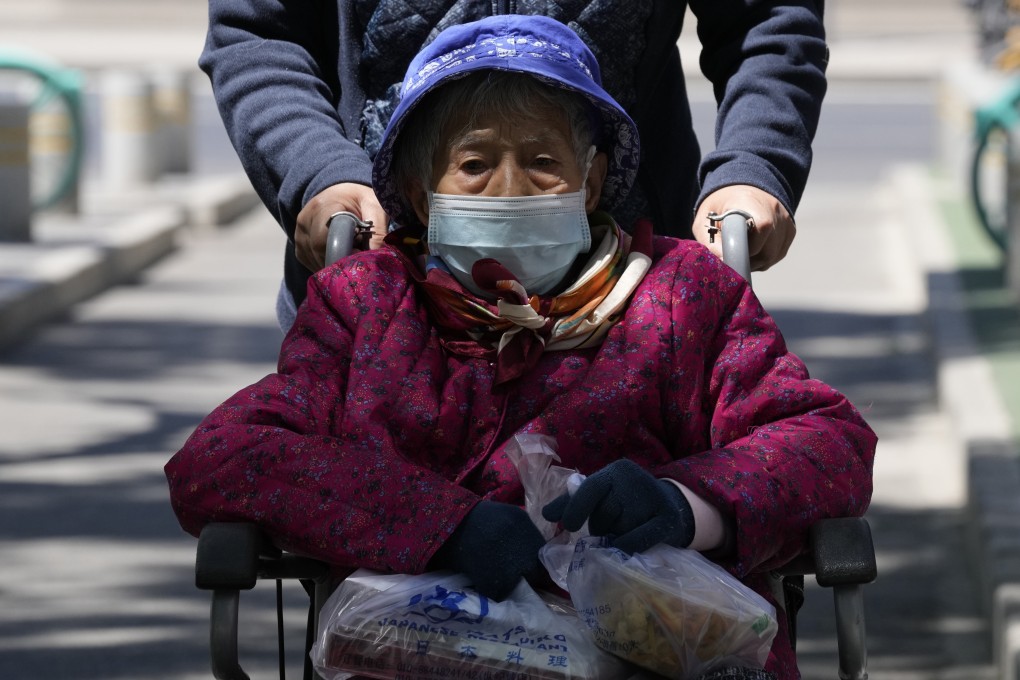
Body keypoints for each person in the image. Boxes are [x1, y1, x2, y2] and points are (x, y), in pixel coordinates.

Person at [168, 15, 873, 680]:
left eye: (543, 162)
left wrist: (688, 506)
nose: (509, 190)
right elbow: (223, 458)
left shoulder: (686, 294)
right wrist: (441, 527)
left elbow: (828, 442)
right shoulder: (367, 304)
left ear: (592, 181)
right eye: (474, 164)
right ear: (418, 189)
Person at [199, 0, 829, 330]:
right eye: (479, 166)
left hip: (633, 296)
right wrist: (317, 173)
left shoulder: (671, 329)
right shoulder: (369, 348)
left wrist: (754, 164)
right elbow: (259, 35)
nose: (507, 191)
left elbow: (767, 24)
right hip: (379, 272)